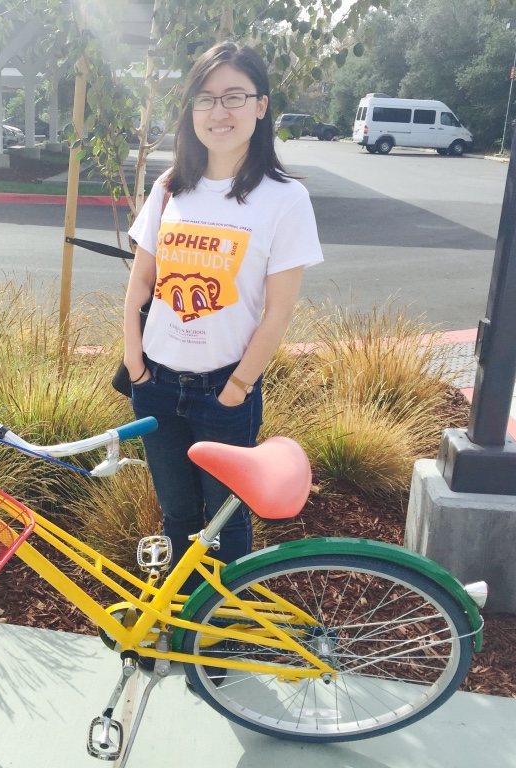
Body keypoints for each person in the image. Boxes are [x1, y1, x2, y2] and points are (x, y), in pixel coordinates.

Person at [123, 41, 324, 585]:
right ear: (192, 111)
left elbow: (278, 313)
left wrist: (237, 387)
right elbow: (141, 283)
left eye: (235, 96)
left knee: (226, 524)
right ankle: (185, 621)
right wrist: (136, 368)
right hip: (157, 383)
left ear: (262, 107)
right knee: (178, 516)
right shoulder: (170, 189)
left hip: (225, 390)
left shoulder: (284, 199)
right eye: (206, 98)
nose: (220, 112)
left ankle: (223, 628)